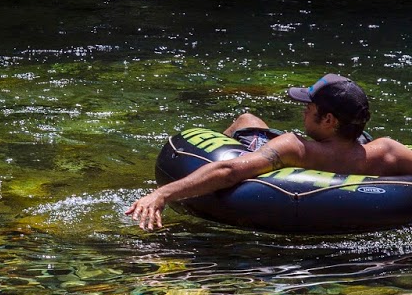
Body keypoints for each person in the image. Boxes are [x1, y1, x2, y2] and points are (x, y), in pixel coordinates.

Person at [127, 74, 412, 230]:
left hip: (277, 162)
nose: (304, 110)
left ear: (328, 120)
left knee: (248, 120)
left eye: (309, 107)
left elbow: (229, 170)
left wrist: (162, 193)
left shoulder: (294, 148)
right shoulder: (386, 152)